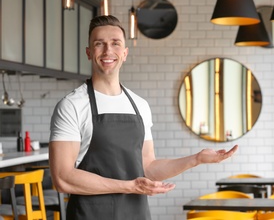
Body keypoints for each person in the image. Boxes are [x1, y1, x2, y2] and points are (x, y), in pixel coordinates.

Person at [49, 15, 238, 220]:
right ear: (88, 52)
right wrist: (128, 186)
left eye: (115, 43)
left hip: (136, 214)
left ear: (125, 53)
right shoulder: (72, 105)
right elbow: (63, 178)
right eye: (99, 44)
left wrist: (196, 159)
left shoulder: (139, 106)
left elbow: (148, 168)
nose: (107, 51)